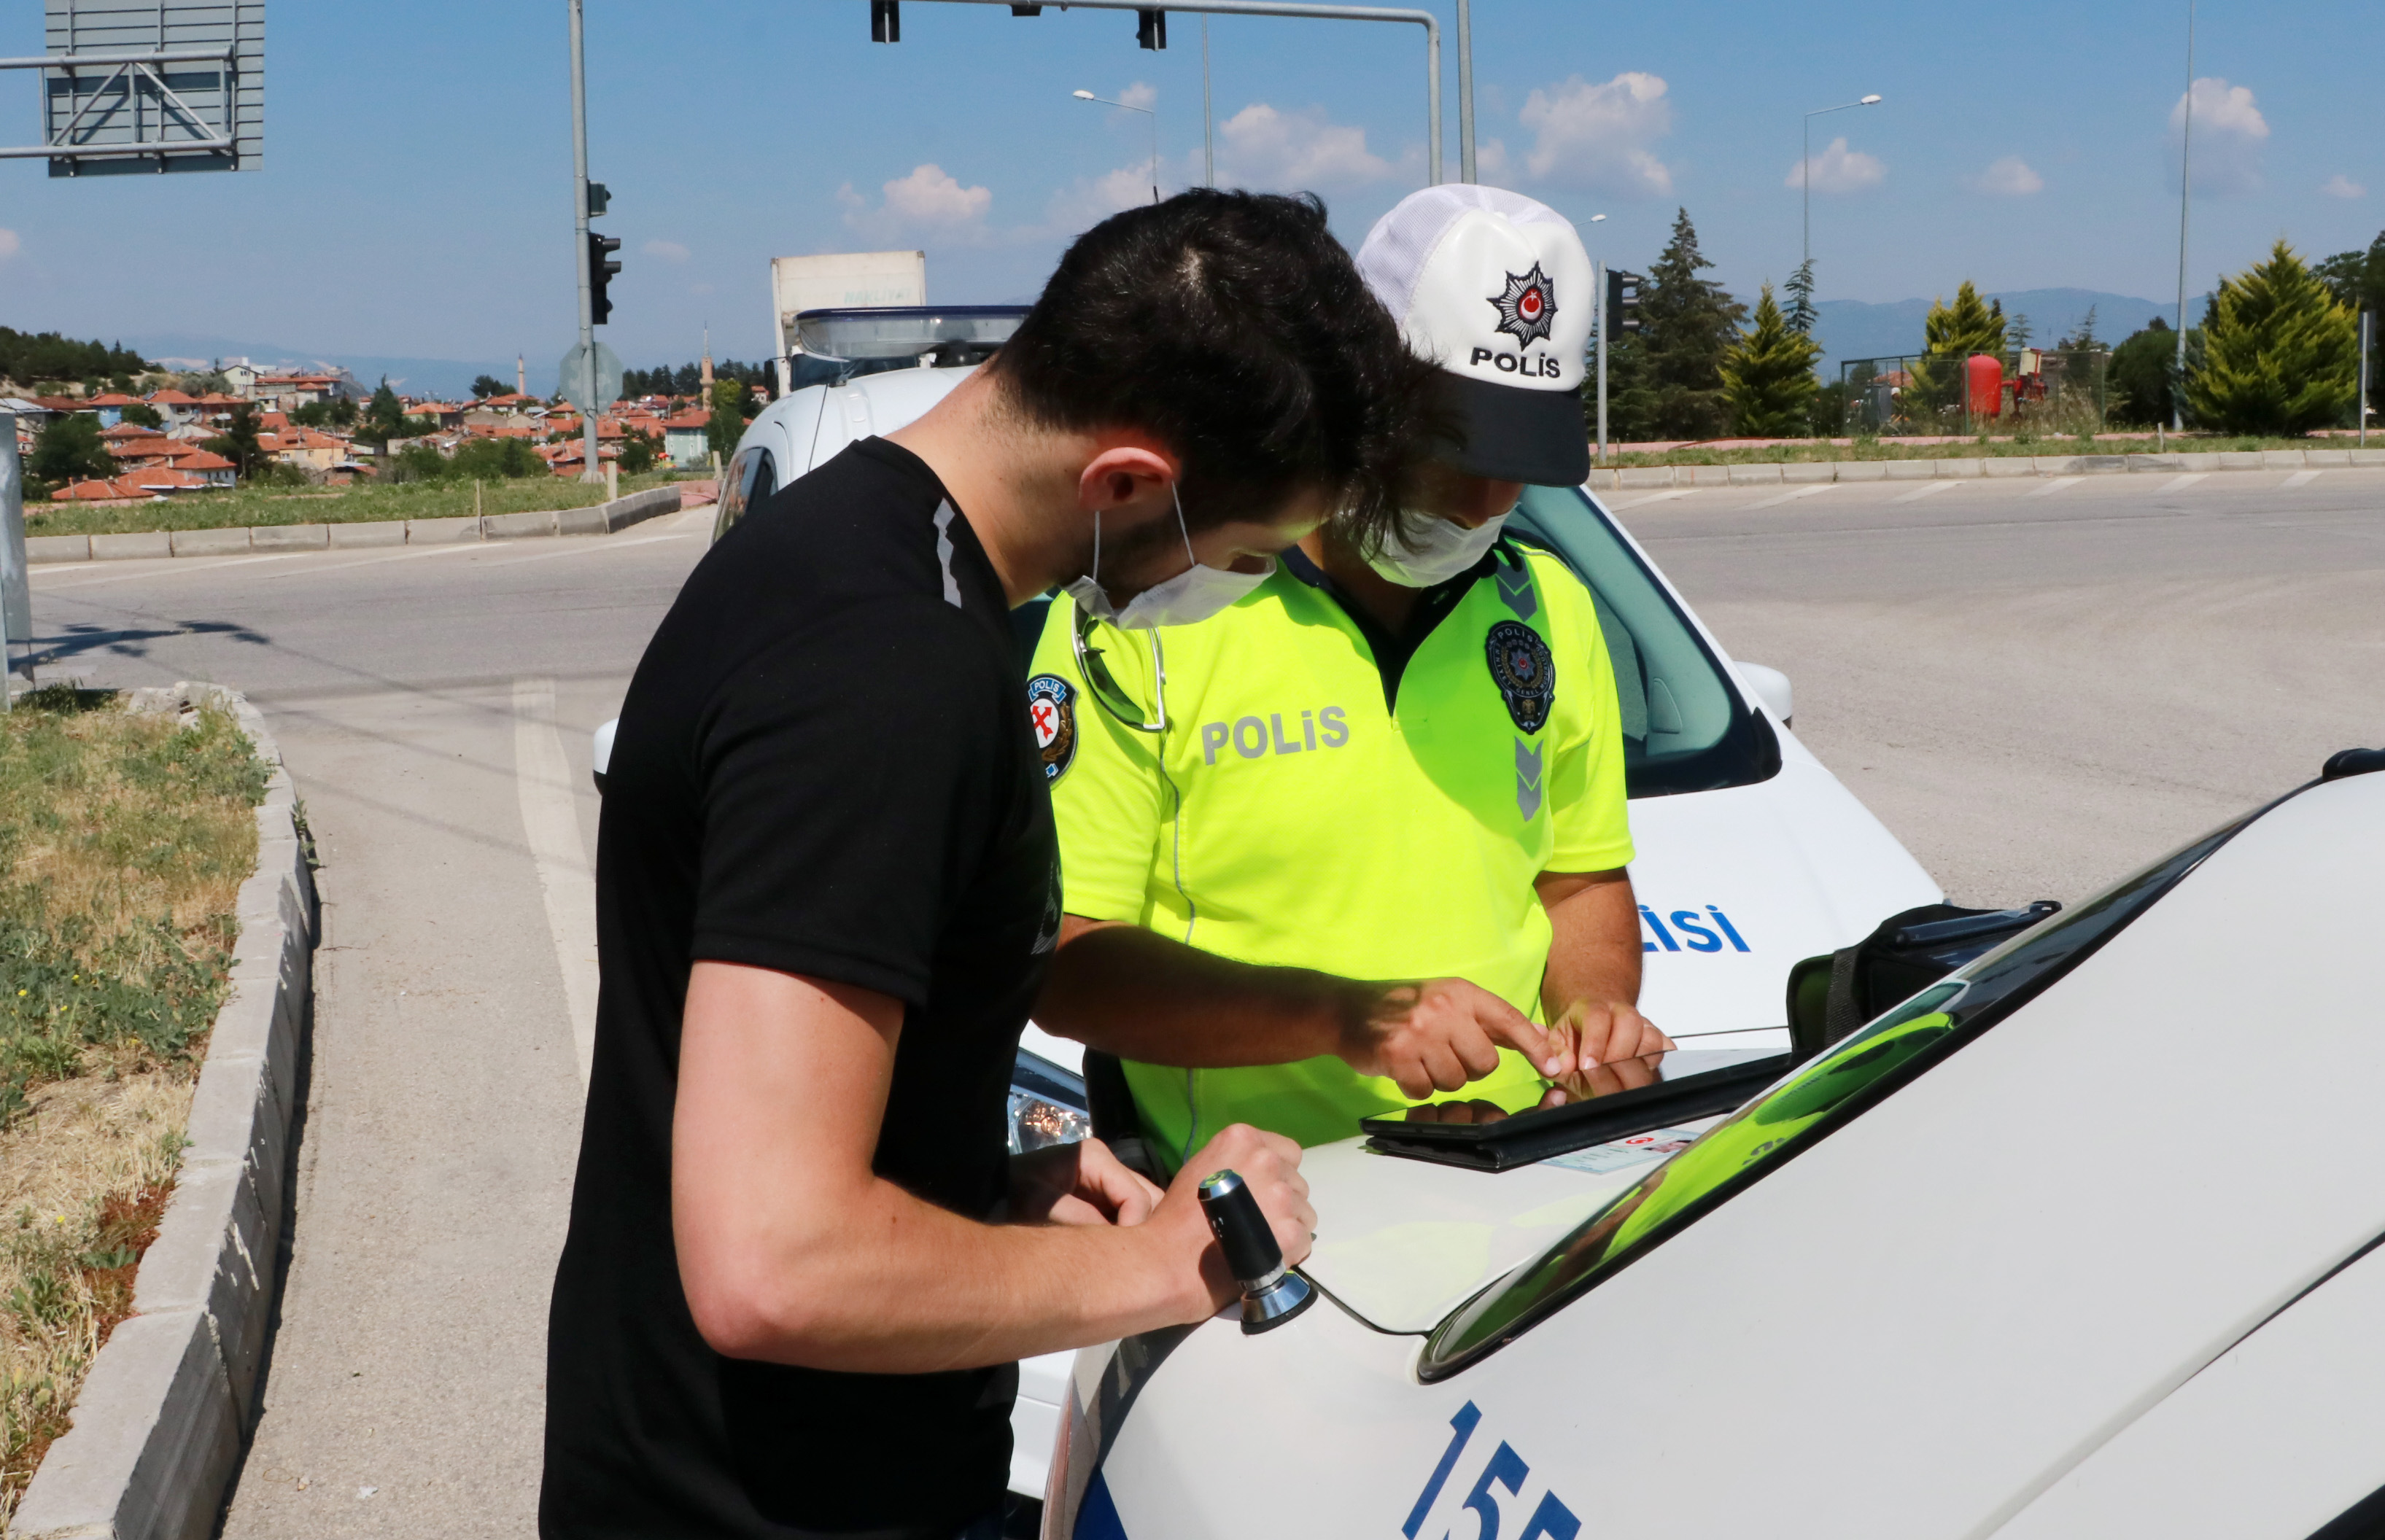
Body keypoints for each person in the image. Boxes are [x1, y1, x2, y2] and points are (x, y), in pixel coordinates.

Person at [540, 190, 1438, 1540]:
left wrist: (976, 1186)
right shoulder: (885, 677)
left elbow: (794, 1101)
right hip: (768, 1503)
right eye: (1246, 557)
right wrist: (1159, 1266)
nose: (1245, 589)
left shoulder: (866, 553)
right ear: (1126, 483)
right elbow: (776, 1265)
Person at [1030, 184, 1670, 1164]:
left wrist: (1596, 1009)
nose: (1487, 500)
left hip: (1511, 1171)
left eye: (1520, 458)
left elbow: (1578, 880)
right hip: (1240, 1214)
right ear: (1350, 403)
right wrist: (1346, 1020)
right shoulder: (1148, 609)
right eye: (1451, 453)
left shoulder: (1547, 608)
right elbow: (1068, 967)